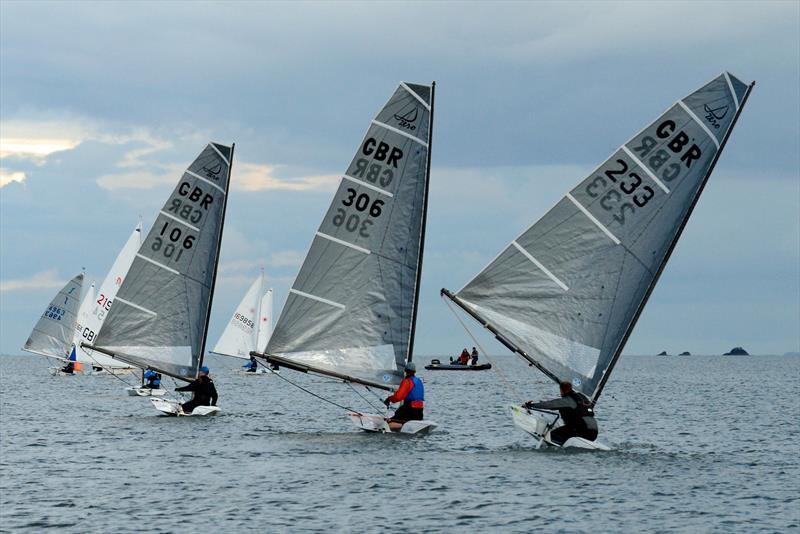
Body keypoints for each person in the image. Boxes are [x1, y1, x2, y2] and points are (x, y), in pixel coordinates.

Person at [524, 381, 598, 445]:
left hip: (582, 431)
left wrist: (532, 405)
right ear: (571, 388)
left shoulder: (568, 400)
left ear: (562, 390)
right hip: (593, 433)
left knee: (551, 436)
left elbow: (550, 404)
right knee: (565, 429)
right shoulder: (582, 397)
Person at [383, 362, 424, 431]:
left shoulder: (407, 381)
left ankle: (394, 426)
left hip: (409, 410)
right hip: (419, 413)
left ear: (405, 371)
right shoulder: (419, 381)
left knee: (390, 422)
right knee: (400, 414)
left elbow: (398, 397)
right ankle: (403, 424)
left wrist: (389, 399)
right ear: (415, 371)